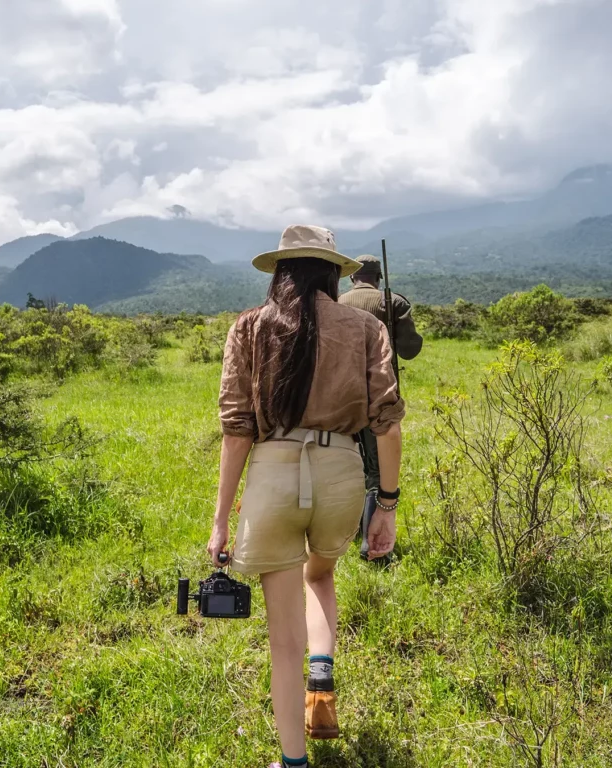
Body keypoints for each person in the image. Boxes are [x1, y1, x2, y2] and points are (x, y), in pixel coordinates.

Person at [208, 225, 405, 768]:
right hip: (341, 473)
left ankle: (293, 762)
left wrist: (222, 521)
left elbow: (236, 429)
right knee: (319, 574)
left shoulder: (249, 327)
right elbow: (387, 426)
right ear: (331, 272)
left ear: (280, 271)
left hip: (272, 474)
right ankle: (324, 675)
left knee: (281, 641)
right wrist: (385, 504)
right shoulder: (366, 327)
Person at [338, 254, 423, 561]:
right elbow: (410, 350)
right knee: (376, 473)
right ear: (379, 278)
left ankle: (344, 534)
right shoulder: (393, 303)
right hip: (380, 397)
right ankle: (371, 547)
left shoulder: (336, 302)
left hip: (340, 397)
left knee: (350, 465)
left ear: (351, 278)